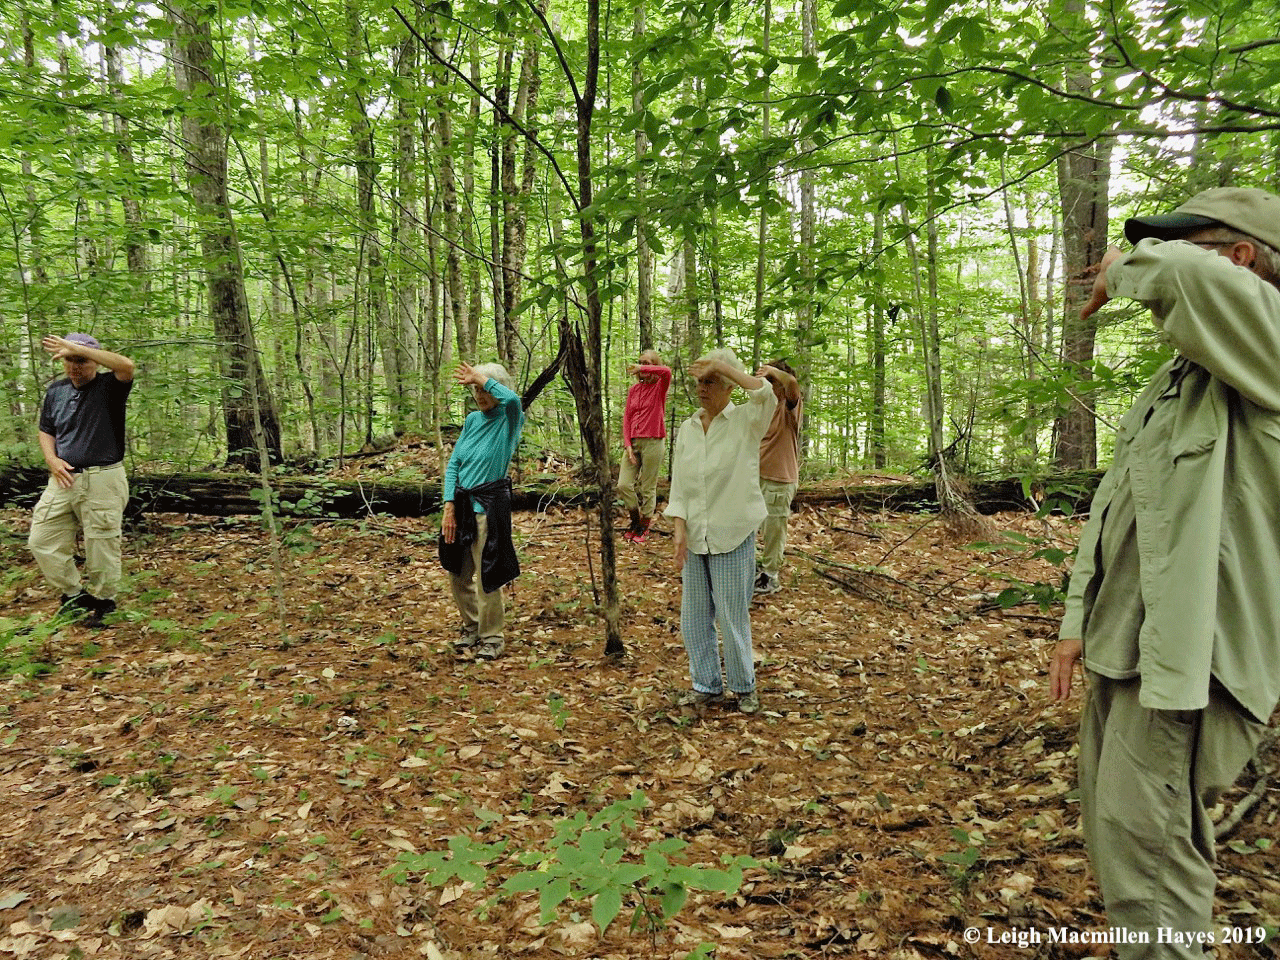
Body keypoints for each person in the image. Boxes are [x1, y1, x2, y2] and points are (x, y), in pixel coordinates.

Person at [1049, 186, 1280, 957]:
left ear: (1240, 260)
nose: (1155, 258)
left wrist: (1127, 267)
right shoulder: (1180, 382)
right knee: (1126, 834)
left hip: (1194, 656)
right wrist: (1079, 621)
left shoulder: (1273, 356)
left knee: (1148, 856)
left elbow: (1185, 279)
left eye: (1188, 240)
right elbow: (1120, 507)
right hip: (1131, 644)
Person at [666, 348, 777, 714]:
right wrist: (679, 528)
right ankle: (706, 685)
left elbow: (766, 393)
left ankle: (744, 688)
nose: (702, 388)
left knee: (732, 615)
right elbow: (679, 484)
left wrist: (724, 366)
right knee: (694, 616)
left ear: (729, 386)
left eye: (710, 382)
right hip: (696, 537)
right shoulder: (688, 428)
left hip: (733, 532)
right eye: (699, 382)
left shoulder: (747, 420)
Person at [27, 333, 136, 628]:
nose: (76, 366)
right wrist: (51, 459)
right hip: (63, 478)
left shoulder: (109, 386)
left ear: (94, 361)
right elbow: (46, 429)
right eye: (70, 360)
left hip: (102, 478)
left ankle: (105, 603)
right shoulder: (57, 391)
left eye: (82, 360)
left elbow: (126, 365)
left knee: (100, 543)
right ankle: (74, 596)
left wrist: (75, 346)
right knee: (42, 539)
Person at [439, 361, 525, 661]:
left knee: (487, 572)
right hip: (461, 506)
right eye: (475, 389)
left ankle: (492, 636)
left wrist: (481, 377)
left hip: (488, 507)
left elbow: (513, 399)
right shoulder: (473, 421)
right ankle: (472, 627)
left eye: (484, 388)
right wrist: (448, 506)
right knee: (457, 572)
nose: (479, 394)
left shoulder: (509, 418)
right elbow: (455, 465)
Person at [754, 360, 802, 595]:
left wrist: (774, 371)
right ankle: (755, 569)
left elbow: (792, 384)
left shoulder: (789, 407)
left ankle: (770, 576)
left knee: (774, 529)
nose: (768, 385)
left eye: (772, 381)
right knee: (751, 526)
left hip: (779, 480)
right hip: (755, 477)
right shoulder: (763, 408)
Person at [617, 349, 672, 543]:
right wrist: (628, 445)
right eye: (640, 362)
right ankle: (635, 520)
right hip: (634, 442)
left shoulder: (659, 386)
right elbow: (627, 418)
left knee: (648, 487)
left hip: (654, 441)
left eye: (648, 363)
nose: (642, 366)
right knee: (623, 484)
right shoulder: (634, 390)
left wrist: (644, 367)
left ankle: (644, 526)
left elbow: (666, 371)